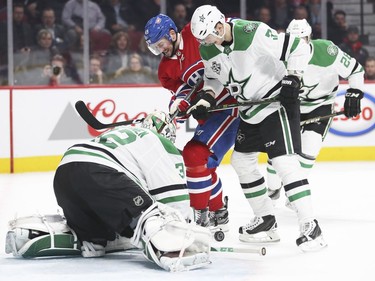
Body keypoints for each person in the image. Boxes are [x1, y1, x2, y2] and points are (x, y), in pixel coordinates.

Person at [189, 5, 326, 251]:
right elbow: (212, 78)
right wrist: (206, 98)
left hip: (275, 104)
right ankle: (266, 219)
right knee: (241, 162)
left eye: (207, 35)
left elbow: (298, 46)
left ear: (219, 26)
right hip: (249, 110)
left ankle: (311, 225)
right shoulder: (207, 47)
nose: (205, 42)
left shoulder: (253, 33)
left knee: (285, 163)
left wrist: (293, 76)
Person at [5, 111, 211, 272]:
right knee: (152, 216)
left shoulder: (120, 136)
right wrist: (185, 228)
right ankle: (172, 250)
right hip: (100, 172)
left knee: (101, 240)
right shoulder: (159, 142)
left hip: (64, 174)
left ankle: (80, 237)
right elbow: (173, 196)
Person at [144, 14, 240, 232]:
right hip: (210, 114)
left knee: (195, 155)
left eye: (161, 45)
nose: (160, 51)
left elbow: (227, 27)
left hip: (231, 105)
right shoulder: (165, 71)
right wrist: (179, 105)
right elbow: (185, 93)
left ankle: (200, 220)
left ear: (172, 34)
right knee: (203, 163)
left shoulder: (193, 32)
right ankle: (218, 212)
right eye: (155, 48)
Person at [266, 19, 365, 205]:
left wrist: (355, 93)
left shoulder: (327, 51)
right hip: (291, 106)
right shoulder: (278, 55)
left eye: (302, 39)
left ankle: (295, 190)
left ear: (309, 37)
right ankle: (272, 188)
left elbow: (355, 70)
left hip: (320, 105)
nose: (298, 44)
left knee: (310, 146)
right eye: (294, 39)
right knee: (277, 152)